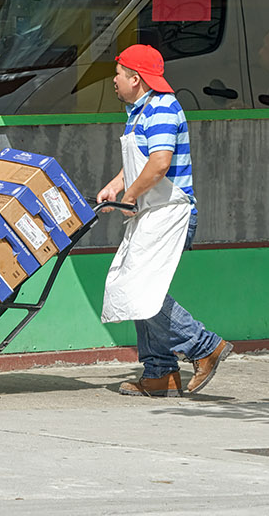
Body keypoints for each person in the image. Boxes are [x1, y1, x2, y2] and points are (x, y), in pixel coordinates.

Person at [97, 44, 231, 397]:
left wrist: (128, 197)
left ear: (136, 79)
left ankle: (204, 346)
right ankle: (159, 372)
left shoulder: (162, 109)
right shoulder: (139, 111)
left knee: (138, 289)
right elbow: (140, 163)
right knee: (134, 288)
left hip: (171, 213)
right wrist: (116, 186)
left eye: (120, 73)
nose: (114, 80)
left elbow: (158, 164)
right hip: (153, 212)